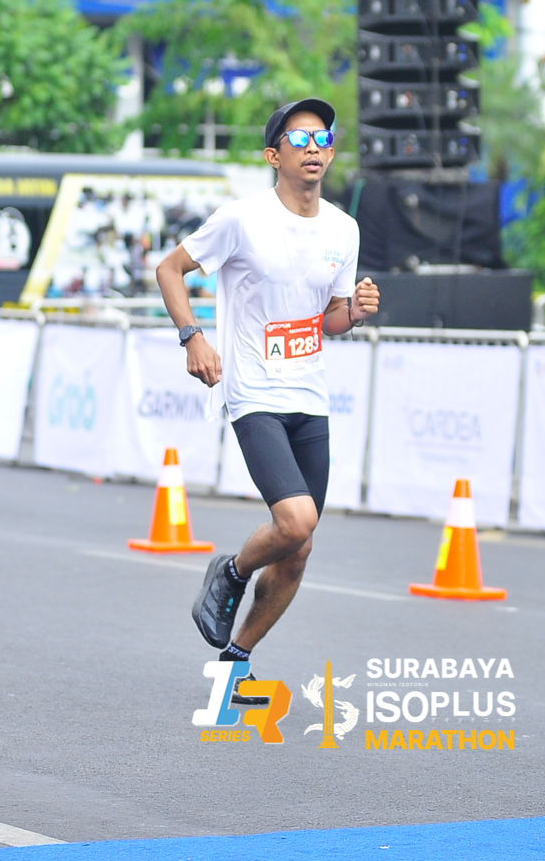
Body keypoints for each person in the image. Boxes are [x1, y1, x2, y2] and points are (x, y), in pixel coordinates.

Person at [155, 98, 380, 689]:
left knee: (298, 549)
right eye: (298, 139)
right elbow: (169, 270)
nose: (313, 148)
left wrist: (355, 312)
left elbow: (328, 319)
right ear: (273, 156)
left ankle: (237, 661)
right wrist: (192, 337)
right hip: (254, 392)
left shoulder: (344, 229)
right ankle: (230, 572)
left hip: (310, 397)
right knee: (296, 519)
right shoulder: (242, 218)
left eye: (322, 138)